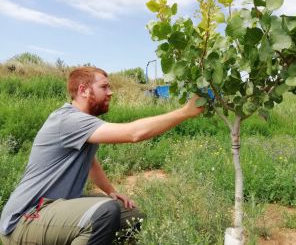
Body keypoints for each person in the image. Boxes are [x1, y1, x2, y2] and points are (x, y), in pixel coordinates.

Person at [0, 67, 204, 245]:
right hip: (24, 221)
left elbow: (90, 163)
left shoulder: (82, 123)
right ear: (83, 90)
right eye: (104, 87)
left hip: (52, 210)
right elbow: (134, 134)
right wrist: (185, 112)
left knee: (132, 216)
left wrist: (110, 190)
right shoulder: (69, 120)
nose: (111, 92)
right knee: (104, 213)